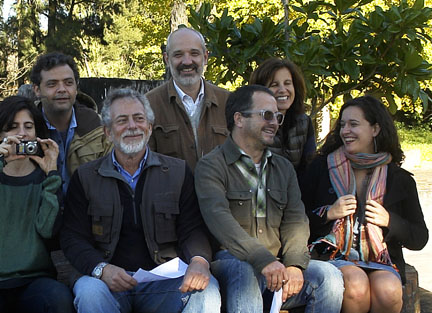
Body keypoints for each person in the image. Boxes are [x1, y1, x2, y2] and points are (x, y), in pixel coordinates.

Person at [60, 88, 221, 313]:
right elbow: (72, 237)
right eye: (122, 121)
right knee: (89, 293)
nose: (132, 126)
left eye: (139, 118)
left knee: (207, 289)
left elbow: (193, 227)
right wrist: (101, 269)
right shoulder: (86, 177)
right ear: (107, 132)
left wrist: (199, 260)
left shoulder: (177, 172)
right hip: (107, 281)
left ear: (149, 127)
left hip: (164, 281)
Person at [195, 85, 343, 313]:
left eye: (278, 116)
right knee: (244, 273)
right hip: (232, 266)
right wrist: (262, 260)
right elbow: (220, 221)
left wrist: (294, 264)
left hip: (278, 266)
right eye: (266, 115)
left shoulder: (282, 168)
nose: (274, 122)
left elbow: (296, 219)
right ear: (239, 119)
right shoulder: (212, 166)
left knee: (329, 277)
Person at [301, 96, 429, 313]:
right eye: (342, 125)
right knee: (356, 285)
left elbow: (419, 238)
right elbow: (296, 219)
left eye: (353, 124)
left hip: (380, 260)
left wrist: (390, 221)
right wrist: (328, 213)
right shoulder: (321, 168)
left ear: (375, 129)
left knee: (388, 289)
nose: (345, 131)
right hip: (330, 255)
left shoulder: (400, 179)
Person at [0, 96, 73, 313]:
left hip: (33, 278)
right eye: (12, 127)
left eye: (28, 126)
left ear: (36, 133)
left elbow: (47, 229)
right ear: (0, 134)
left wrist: (52, 174)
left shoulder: (45, 176)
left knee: (58, 299)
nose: (21, 133)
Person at [29, 52, 112, 196]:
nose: (62, 89)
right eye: (52, 84)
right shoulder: (24, 128)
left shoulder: (99, 128)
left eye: (68, 83)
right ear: (37, 89)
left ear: (76, 86)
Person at [146, 27, 230, 170]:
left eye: (194, 53)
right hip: (172, 192)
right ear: (167, 59)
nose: (187, 61)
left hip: (220, 192)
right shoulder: (149, 105)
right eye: (178, 55)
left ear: (205, 57)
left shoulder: (227, 101)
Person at [249, 58, 316, 178]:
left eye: (287, 83)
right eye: (274, 85)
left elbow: (309, 170)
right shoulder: (251, 124)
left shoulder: (304, 122)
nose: (282, 90)